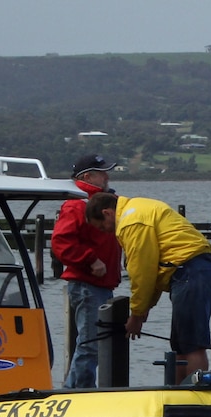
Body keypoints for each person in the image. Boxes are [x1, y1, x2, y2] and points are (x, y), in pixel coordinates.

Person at [85, 192, 211, 383]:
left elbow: (143, 271)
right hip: (195, 269)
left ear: (107, 213)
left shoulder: (130, 222)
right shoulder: (140, 207)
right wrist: (146, 307)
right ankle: (181, 392)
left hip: (189, 270)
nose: (105, 232)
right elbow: (156, 268)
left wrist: (137, 315)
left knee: (192, 343)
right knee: (181, 343)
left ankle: (197, 395)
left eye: (102, 226)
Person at [51, 154, 122, 388]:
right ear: (88, 176)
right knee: (91, 343)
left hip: (98, 285)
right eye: (102, 173)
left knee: (93, 343)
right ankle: (76, 392)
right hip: (88, 284)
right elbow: (61, 242)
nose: (107, 177)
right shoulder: (77, 204)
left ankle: (77, 390)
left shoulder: (99, 202)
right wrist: (90, 259)